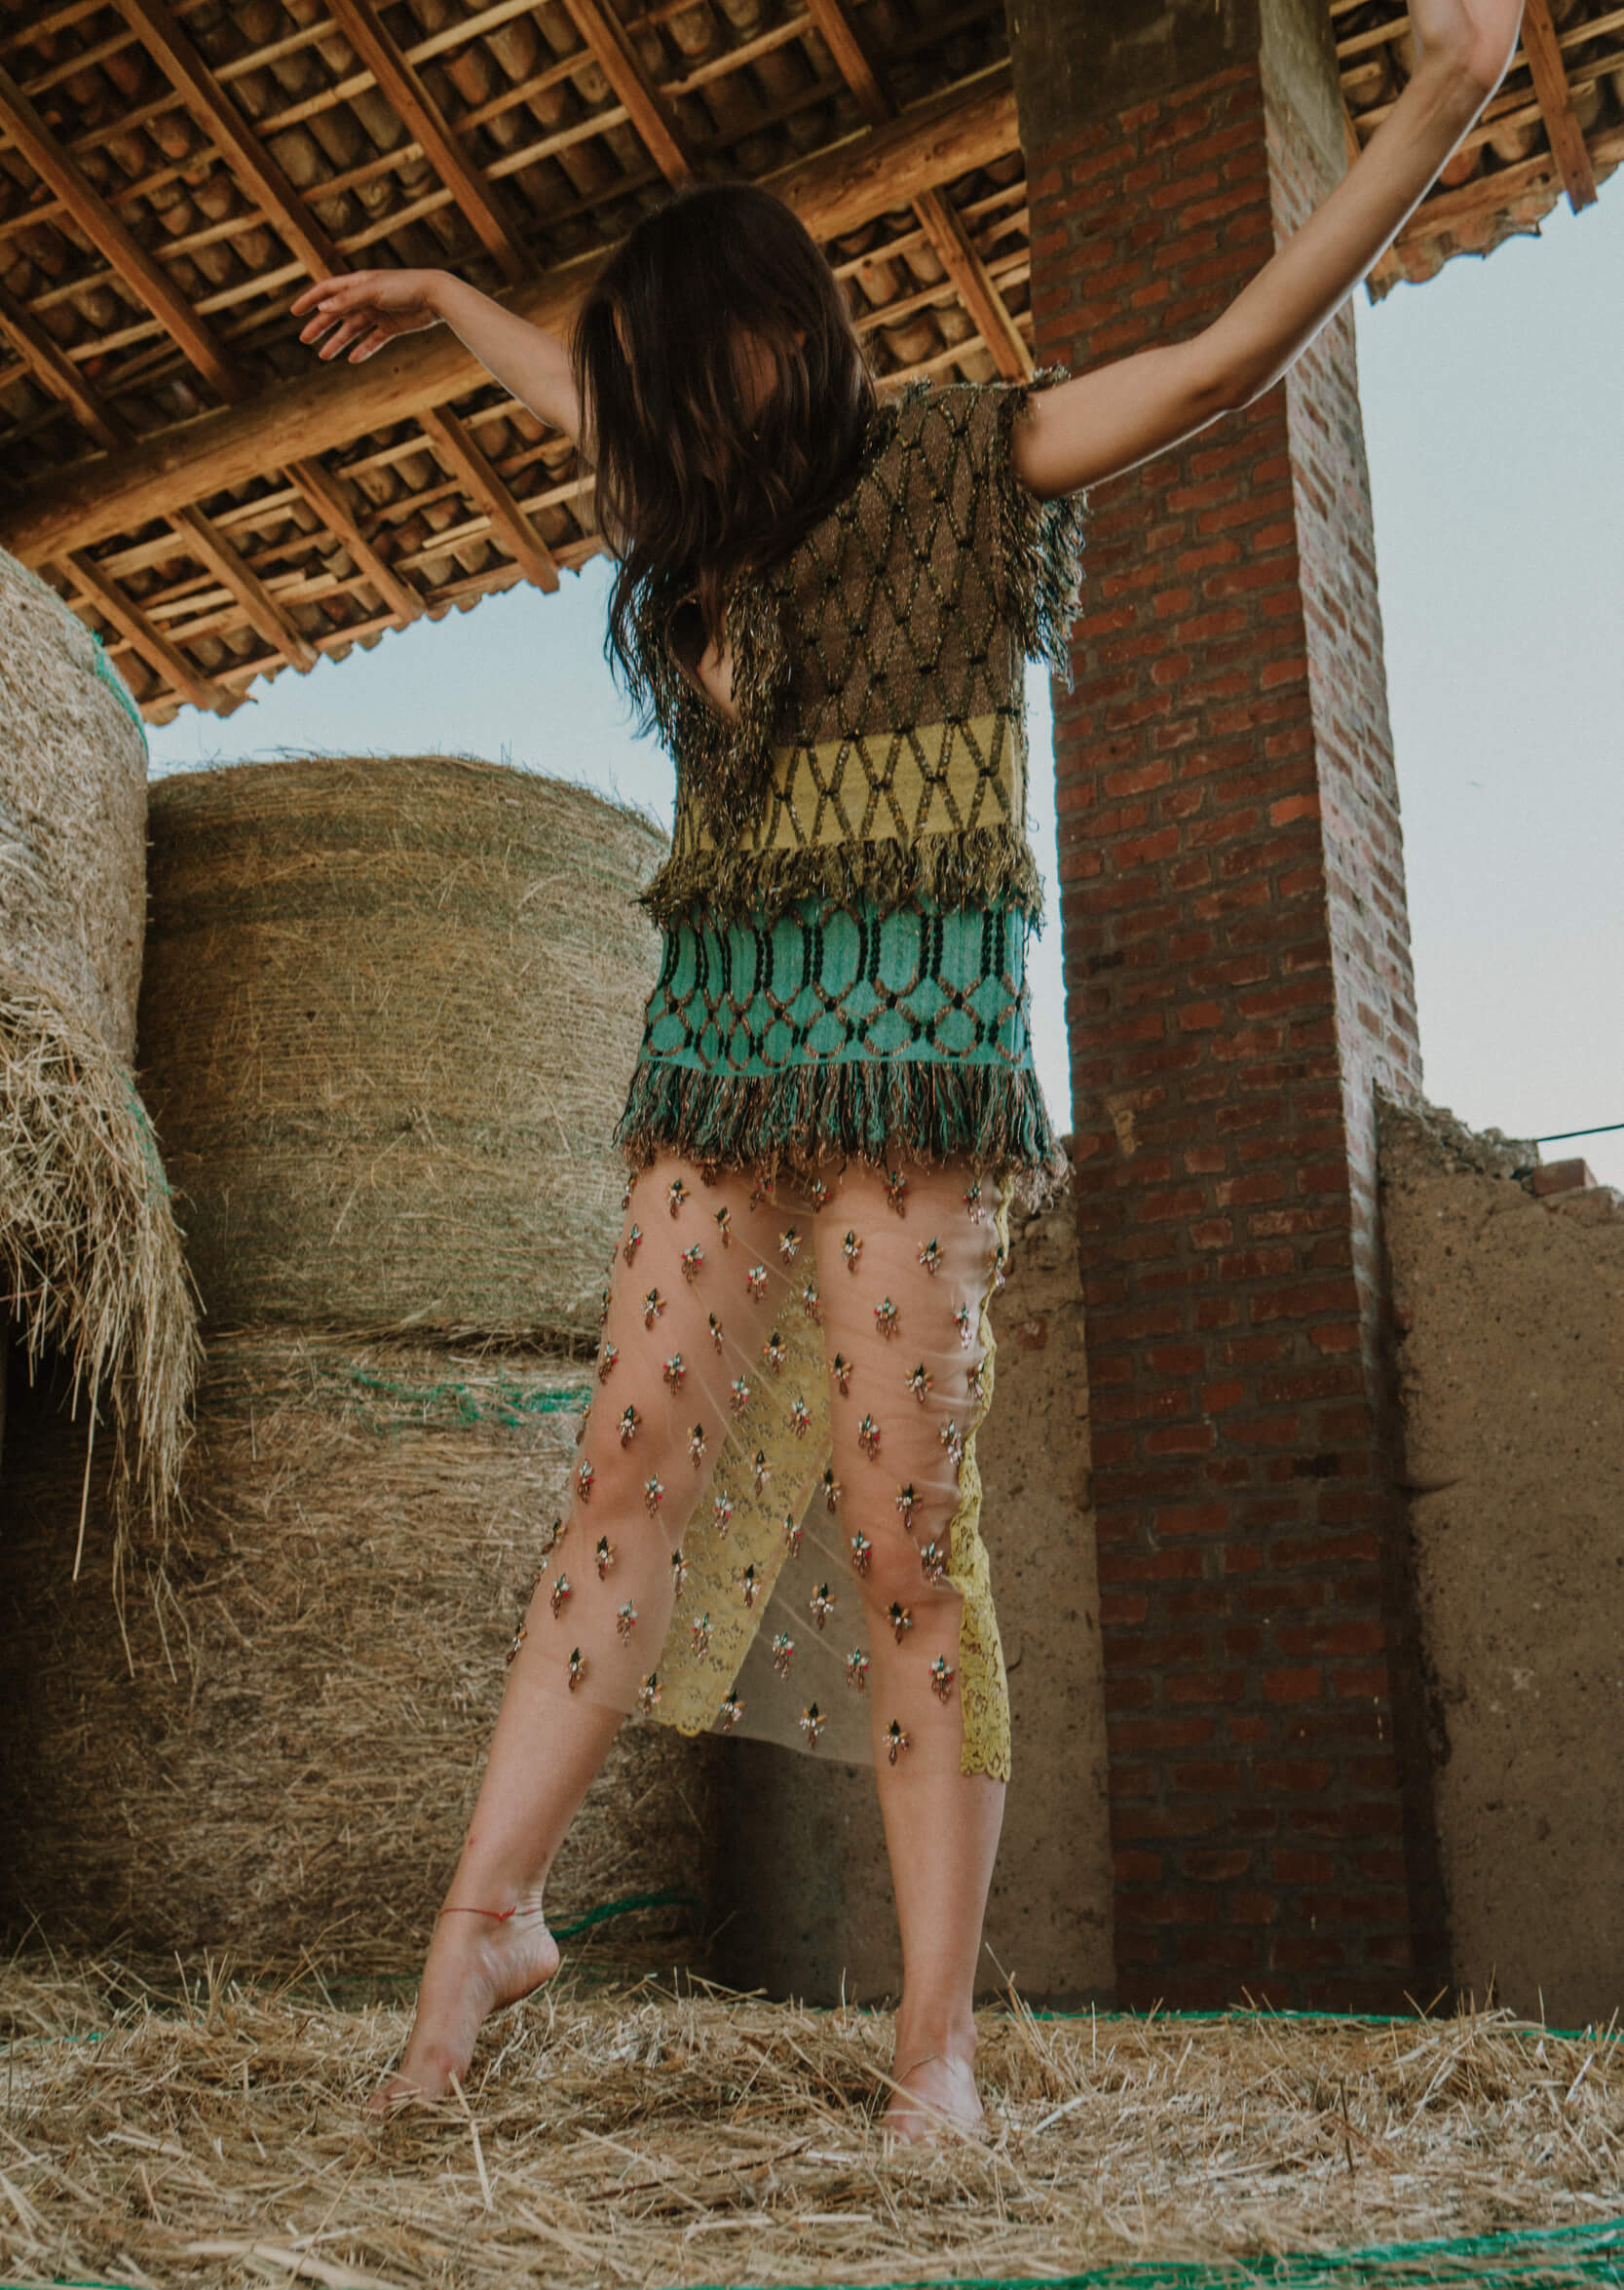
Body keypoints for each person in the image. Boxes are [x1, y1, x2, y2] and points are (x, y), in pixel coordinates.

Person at [291, 0, 1518, 2142]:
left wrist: (1437, 104)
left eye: (686, 379)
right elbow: (575, 387)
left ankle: (933, 2048)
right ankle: (484, 1922)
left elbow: (1217, 363)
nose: (652, 427)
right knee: (620, 1481)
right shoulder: (695, 530)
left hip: (914, 1065)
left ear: (783, 337)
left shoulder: (964, 464)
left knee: (899, 1531)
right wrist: (451, 302)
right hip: (722, 1060)